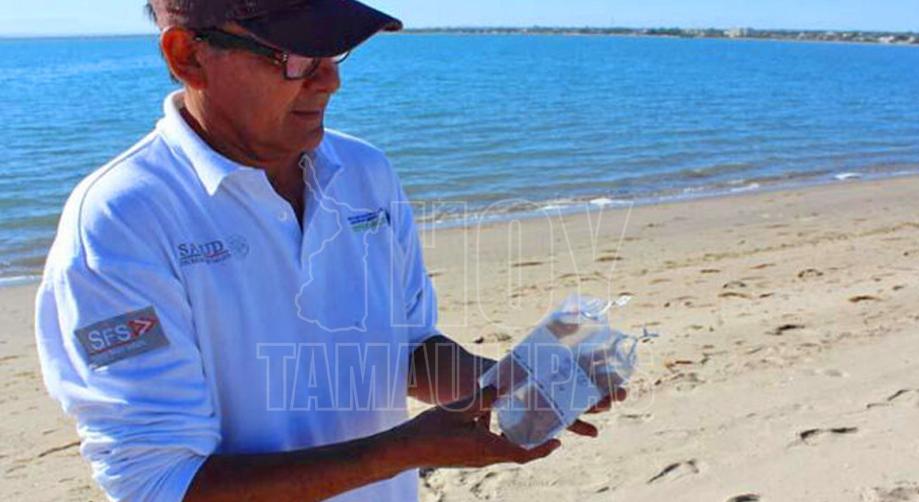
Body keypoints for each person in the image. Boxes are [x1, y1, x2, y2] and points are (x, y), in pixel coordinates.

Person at [34, 1, 626, 500]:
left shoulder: (364, 172)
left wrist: (504, 383)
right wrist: (405, 449)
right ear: (186, 55)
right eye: (294, 57)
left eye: (333, 52)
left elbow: (405, 347)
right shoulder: (121, 222)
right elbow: (159, 483)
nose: (328, 80)